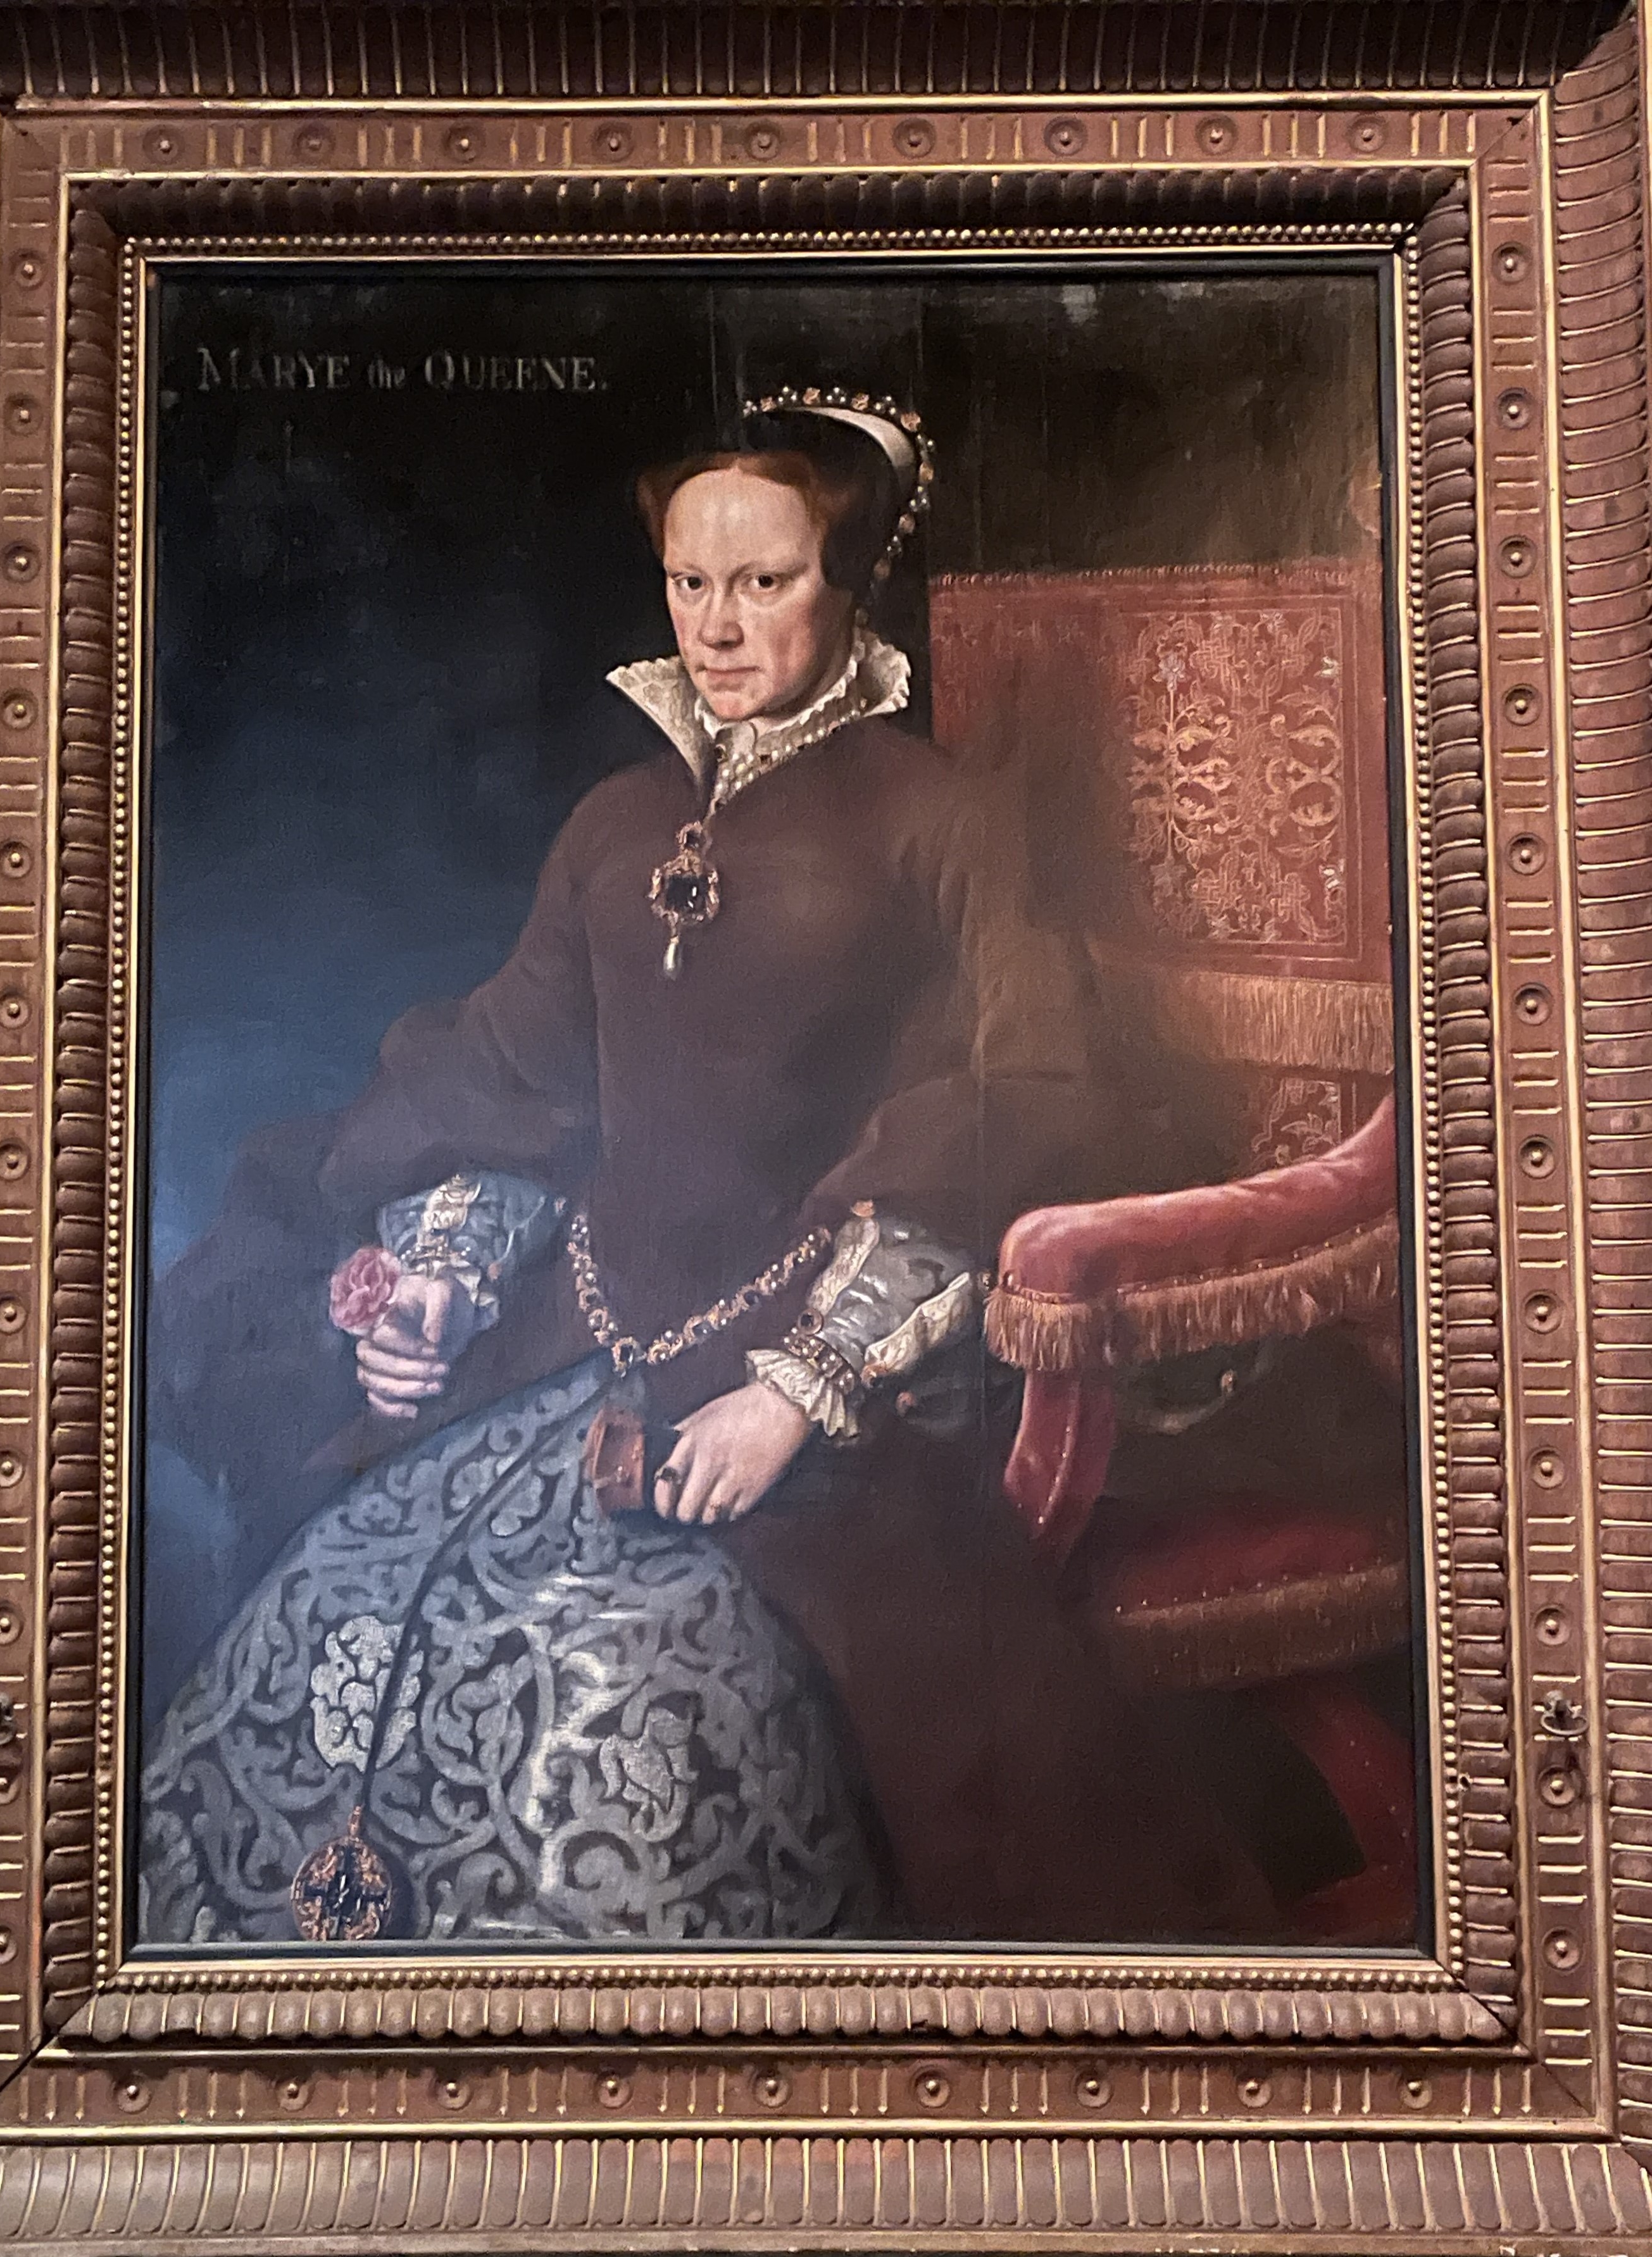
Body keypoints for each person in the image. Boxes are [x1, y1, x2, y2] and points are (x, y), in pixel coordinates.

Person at [139, 387, 1273, 1948]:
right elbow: (520, 1079)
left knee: (611, 1708)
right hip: (575, 1349)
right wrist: (447, 1278)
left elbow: (1021, 1102)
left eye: (763, 580)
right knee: (336, 1613)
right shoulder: (615, 822)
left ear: (844, 581)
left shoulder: (940, 824)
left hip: (829, 1402)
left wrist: (797, 1388)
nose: (717, 626)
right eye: (688, 582)